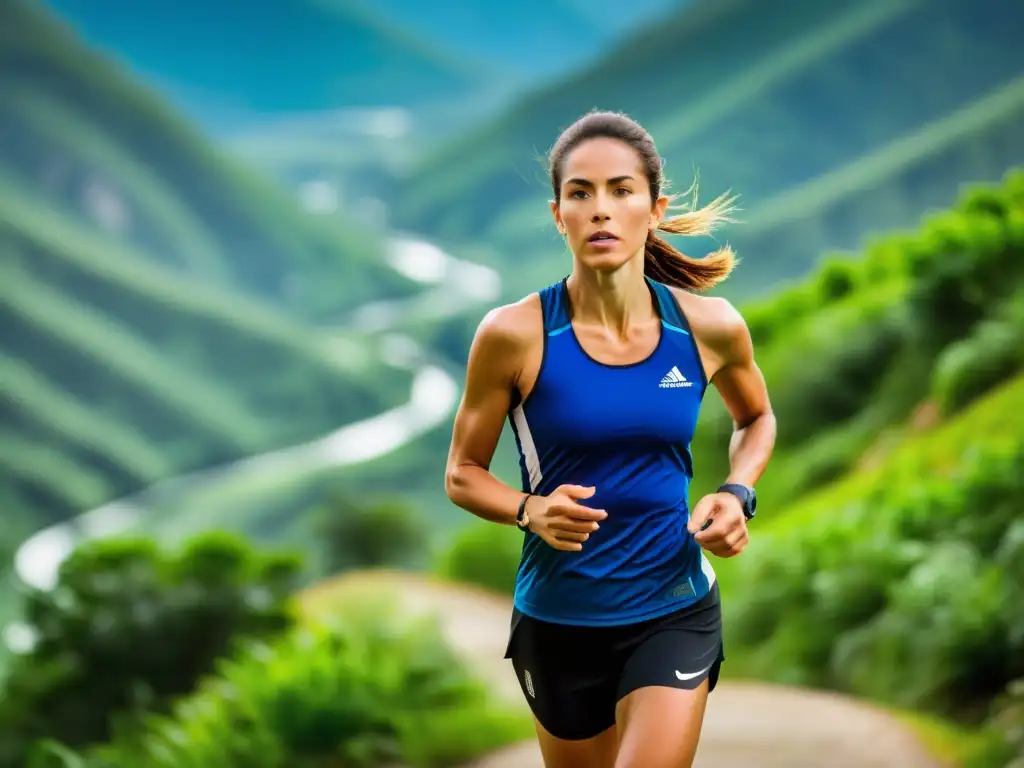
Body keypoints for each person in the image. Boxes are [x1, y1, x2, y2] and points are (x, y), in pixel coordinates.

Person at [444, 110, 776, 768]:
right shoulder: (515, 335)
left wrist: (738, 493)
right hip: (558, 619)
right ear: (557, 214)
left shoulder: (708, 327)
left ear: (654, 209)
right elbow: (462, 473)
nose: (600, 210)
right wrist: (528, 509)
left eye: (621, 191)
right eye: (580, 193)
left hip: (673, 607)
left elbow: (756, 418)